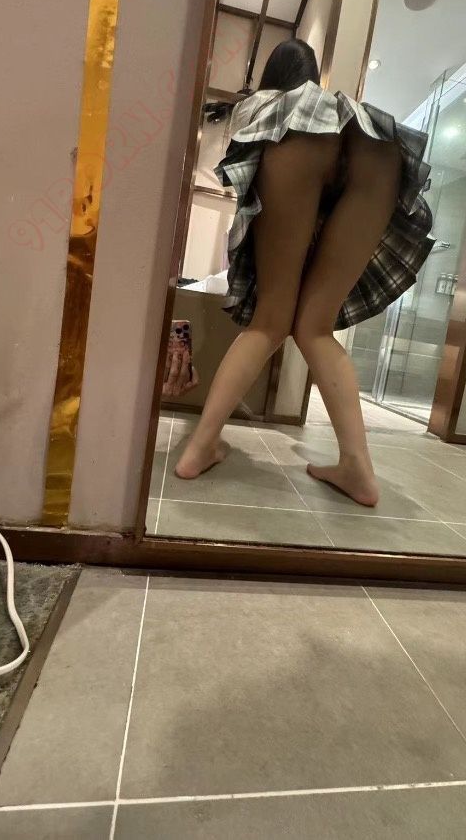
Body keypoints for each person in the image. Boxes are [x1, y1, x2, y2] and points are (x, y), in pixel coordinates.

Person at [175, 38, 434, 507]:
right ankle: (358, 469)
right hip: (380, 144)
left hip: (299, 141)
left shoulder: (269, 106)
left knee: (270, 321)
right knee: (316, 328)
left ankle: (201, 447)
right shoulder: (340, 110)